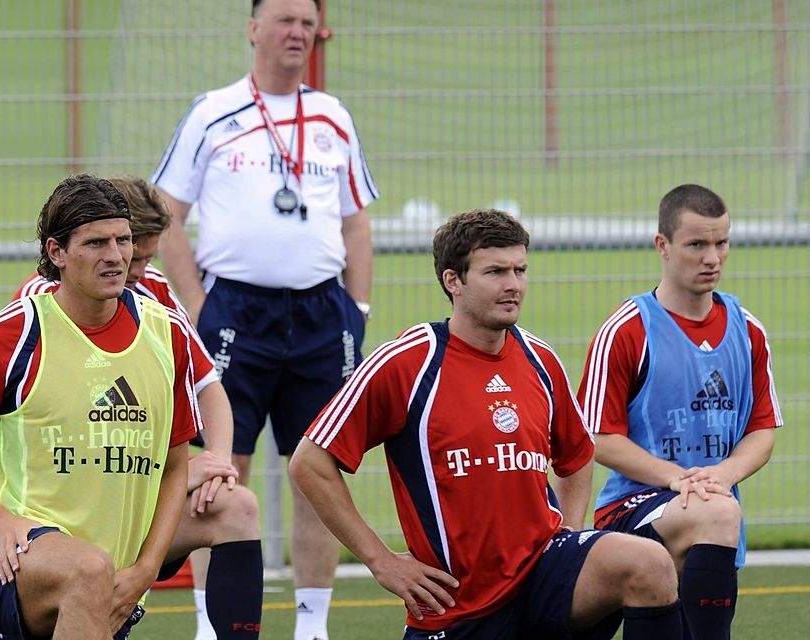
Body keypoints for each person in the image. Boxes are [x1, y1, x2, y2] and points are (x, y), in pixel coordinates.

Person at [289, 209, 685, 639]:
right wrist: (381, 560)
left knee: (650, 565)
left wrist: (568, 532)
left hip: (541, 576)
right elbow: (309, 463)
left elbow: (576, 455)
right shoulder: (408, 363)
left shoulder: (540, 359)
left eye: (520, 270)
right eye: (495, 271)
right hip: (456, 608)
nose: (513, 284)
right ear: (452, 281)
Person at [151, 1, 378, 638]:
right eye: (284, 20)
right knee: (221, 469)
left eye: (307, 23)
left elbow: (357, 222)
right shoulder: (213, 112)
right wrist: (197, 306)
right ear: (253, 28)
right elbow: (165, 213)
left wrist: (356, 311)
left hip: (320, 315)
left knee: (317, 471)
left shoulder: (332, 117)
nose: (297, 33)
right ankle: (211, 623)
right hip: (233, 313)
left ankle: (312, 626)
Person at [0, 174, 197, 640]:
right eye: (96, 243)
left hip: (114, 579)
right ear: (56, 253)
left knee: (98, 568)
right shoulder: (8, 339)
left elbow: (176, 466)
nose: (116, 256)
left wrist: (146, 570)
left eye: (124, 240)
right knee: (90, 568)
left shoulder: (168, 336)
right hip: (13, 562)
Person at [16, 176, 263, 640]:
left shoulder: (156, 297)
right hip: (59, 508)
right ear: (65, 250)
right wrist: (162, 474)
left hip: (136, 493)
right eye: (108, 245)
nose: (132, 266)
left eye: (138, 252)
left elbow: (210, 387)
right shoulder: (42, 304)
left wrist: (218, 462)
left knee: (237, 505)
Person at [577, 184, 782, 640]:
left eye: (721, 243)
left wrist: (724, 474)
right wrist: (675, 477)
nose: (712, 257)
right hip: (633, 512)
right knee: (720, 513)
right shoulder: (628, 329)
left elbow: (762, 430)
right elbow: (596, 437)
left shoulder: (748, 331)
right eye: (696, 244)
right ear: (662, 246)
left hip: (710, 507)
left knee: (717, 518)